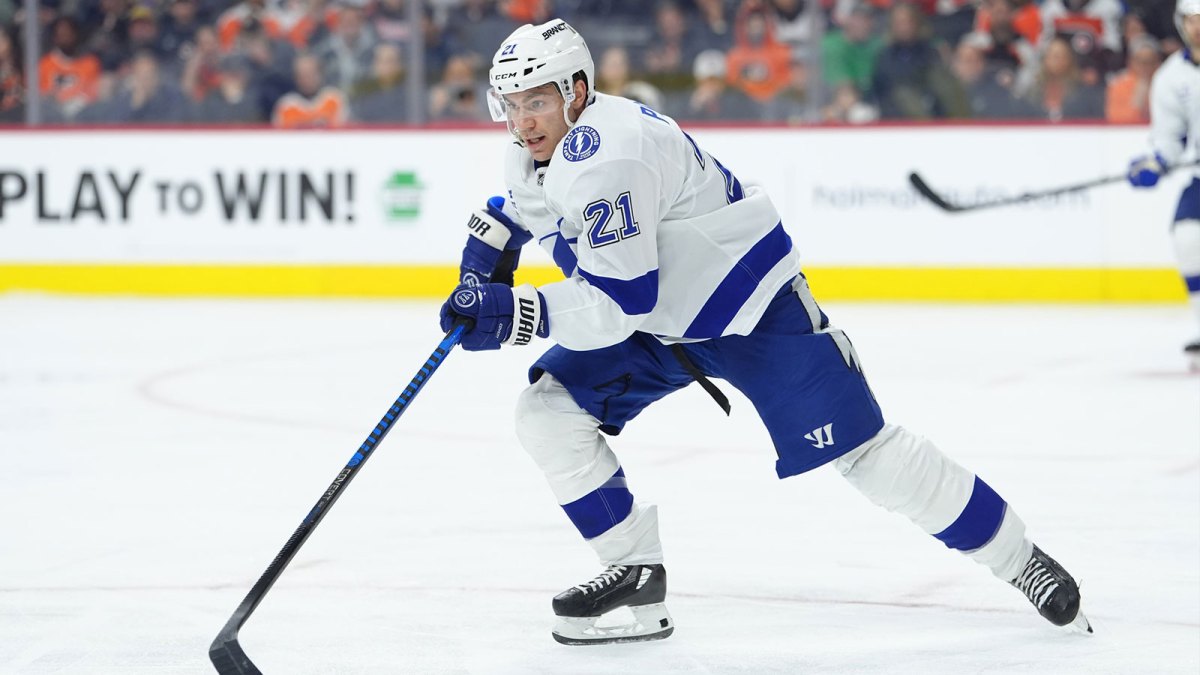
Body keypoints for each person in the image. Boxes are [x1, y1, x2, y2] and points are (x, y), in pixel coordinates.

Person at [439, 19, 1093, 645]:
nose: (522, 121)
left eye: (536, 102)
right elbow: (538, 214)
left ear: (575, 92)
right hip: (665, 320)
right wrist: (487, 247)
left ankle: (1020, 558)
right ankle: (636, 575)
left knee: (867, 456)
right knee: (546, 412)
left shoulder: (609, 153)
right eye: (510, 104)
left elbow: (623, 300)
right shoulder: (533, 155)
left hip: (748, 307)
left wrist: (517, 313)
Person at [1127, 0, 1200, 368]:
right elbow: (1169, 137)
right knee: (1188, 238)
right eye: (1193, 18)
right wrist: (1155, 161)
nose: (1199, 25)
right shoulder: (1172, 76)